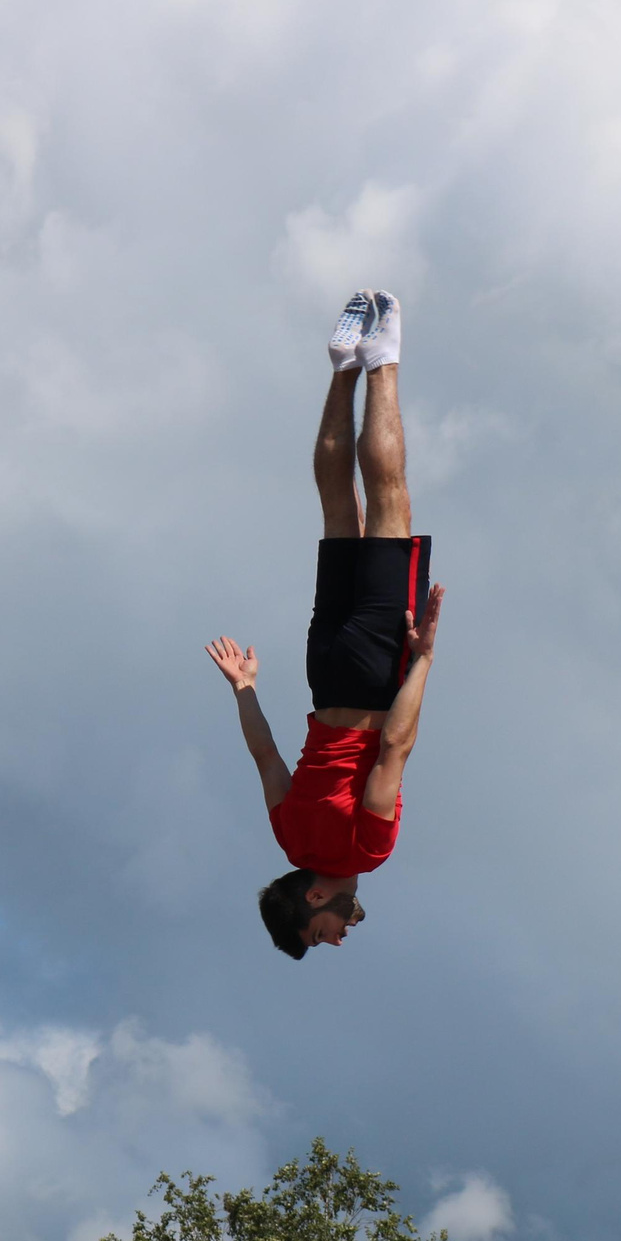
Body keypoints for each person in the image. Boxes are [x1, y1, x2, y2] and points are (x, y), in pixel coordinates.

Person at [206, 291, 445, 959]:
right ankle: (343, 365)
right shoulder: (288, 838)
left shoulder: (367, 849)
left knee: (390, 501)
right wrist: (244, 688)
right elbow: (265, 755)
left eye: (322, 932)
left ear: (313, 897)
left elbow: (394, 747)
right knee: (340, 513)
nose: (339, 936)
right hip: (323, 672)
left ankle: (383, 361)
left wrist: (422, 659)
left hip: (374, 678)